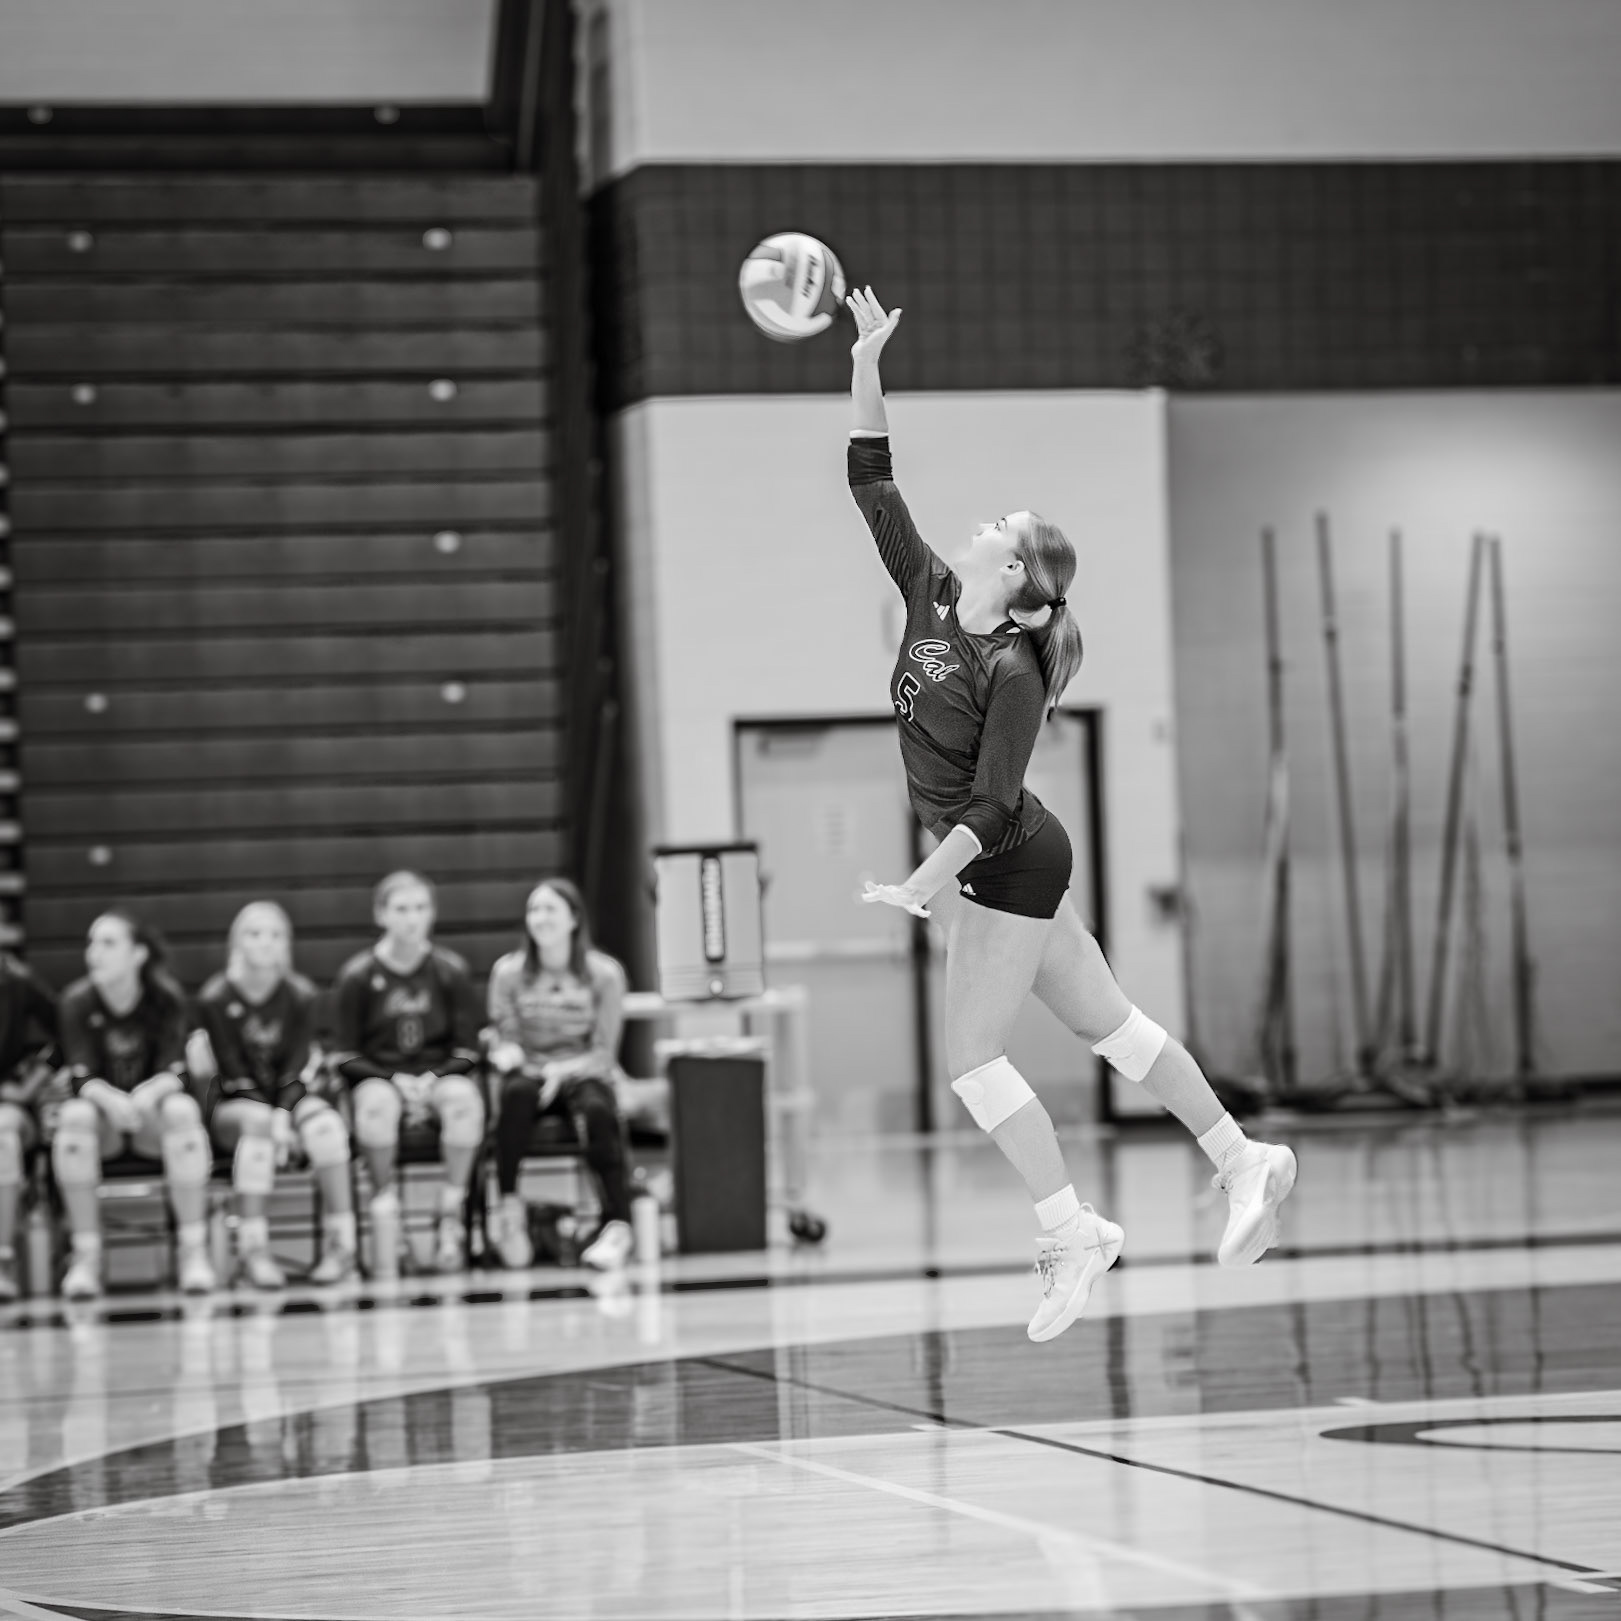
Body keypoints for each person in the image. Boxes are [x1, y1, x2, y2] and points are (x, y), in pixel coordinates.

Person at [844, 287, 1297, 1342]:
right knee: (1112, 1027)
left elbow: (994, 802)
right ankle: (1243, 1156)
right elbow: (872, 479)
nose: (984, 521)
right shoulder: (929, 590)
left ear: (1016, 572)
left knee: (970, 1060)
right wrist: (867, 360)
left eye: (1001, 528)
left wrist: (924, 879)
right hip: (1007, 856)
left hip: (1003, 855)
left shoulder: (1010, 668)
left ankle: (1071, 1230)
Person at [194, 902, 359, 1289]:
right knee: (258, 1122)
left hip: (287, 1099)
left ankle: (343, 1247)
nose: (264, 942)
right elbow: (232, 1073)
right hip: (232, 1108)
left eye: (274, 934)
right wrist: (273, 1118)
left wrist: (284, 1114)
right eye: (254, 933)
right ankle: (254, 1251)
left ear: (286, 943)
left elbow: (298, 1065)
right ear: (237, 941)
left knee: (327, 1128)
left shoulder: (300, 994)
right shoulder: (214, 998)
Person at [50, 910, 213, 1299]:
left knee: (182, 1110)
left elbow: (179, 1072)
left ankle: (193, 1250)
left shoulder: (166, 998)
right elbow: (78, 1075)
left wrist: (147, 1094)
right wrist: (110, 1098)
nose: (95, 953)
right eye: (91, 943)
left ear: (138, 954)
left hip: (149, 1124)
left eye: (108, 943)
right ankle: (86, 1257)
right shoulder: (76, 1000)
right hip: (102, 1127)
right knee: (74, 1115)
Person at [330, 872, 484, 1274]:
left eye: (419, 908)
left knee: (464, 1101)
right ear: (381, 915)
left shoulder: (450, 971)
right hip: (381, 1078)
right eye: (401, 909)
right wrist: (392, 1081)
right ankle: (387, 1212)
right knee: (376, 1107)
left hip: (438, 1076)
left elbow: (468, 1049)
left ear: (432, 914)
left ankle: (450, 1213)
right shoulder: (358, 976)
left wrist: (433, 1080)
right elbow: (343, 1055)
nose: (411, 919)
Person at [485, 878, 634, 1271]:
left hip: (582, 1068)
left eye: (550, 909)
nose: (540, 917)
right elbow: (507, 1036)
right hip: (530, 1070)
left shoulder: (604, 974)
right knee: (515, 1095)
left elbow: (603, 1053)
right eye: (534, 909)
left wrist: (561, 1070)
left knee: (599, 1111)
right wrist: (506, 1051)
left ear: (574, 919)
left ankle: (617, 1223)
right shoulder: (509, 973)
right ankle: (509, 1209)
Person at [0, 953, 60, 1301]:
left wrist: (30, 1085)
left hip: (7, 1106)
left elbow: (68, 1034)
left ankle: (3, 1261)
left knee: (3, 1134)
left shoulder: (18, 982)